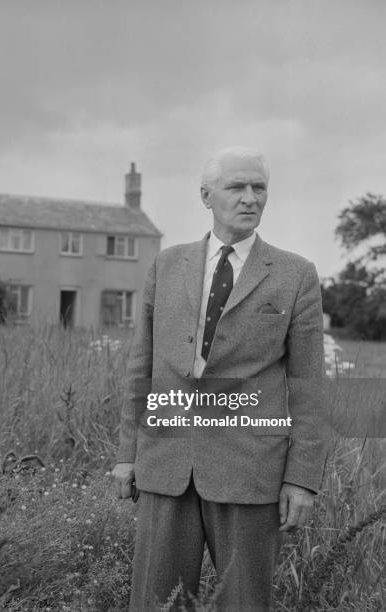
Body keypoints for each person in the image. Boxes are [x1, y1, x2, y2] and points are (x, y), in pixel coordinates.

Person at [112, 146, 327, 611]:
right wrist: (127, 456)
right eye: (237, 187)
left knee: (245, 604)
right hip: (165, 466)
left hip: (250, 472)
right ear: (206, 196)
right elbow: (141, 368)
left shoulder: (296, 276)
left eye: (259, 187)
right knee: (155, 604)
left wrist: (302, 480)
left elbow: (310, 388)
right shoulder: (166, 266)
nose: (250, 198)